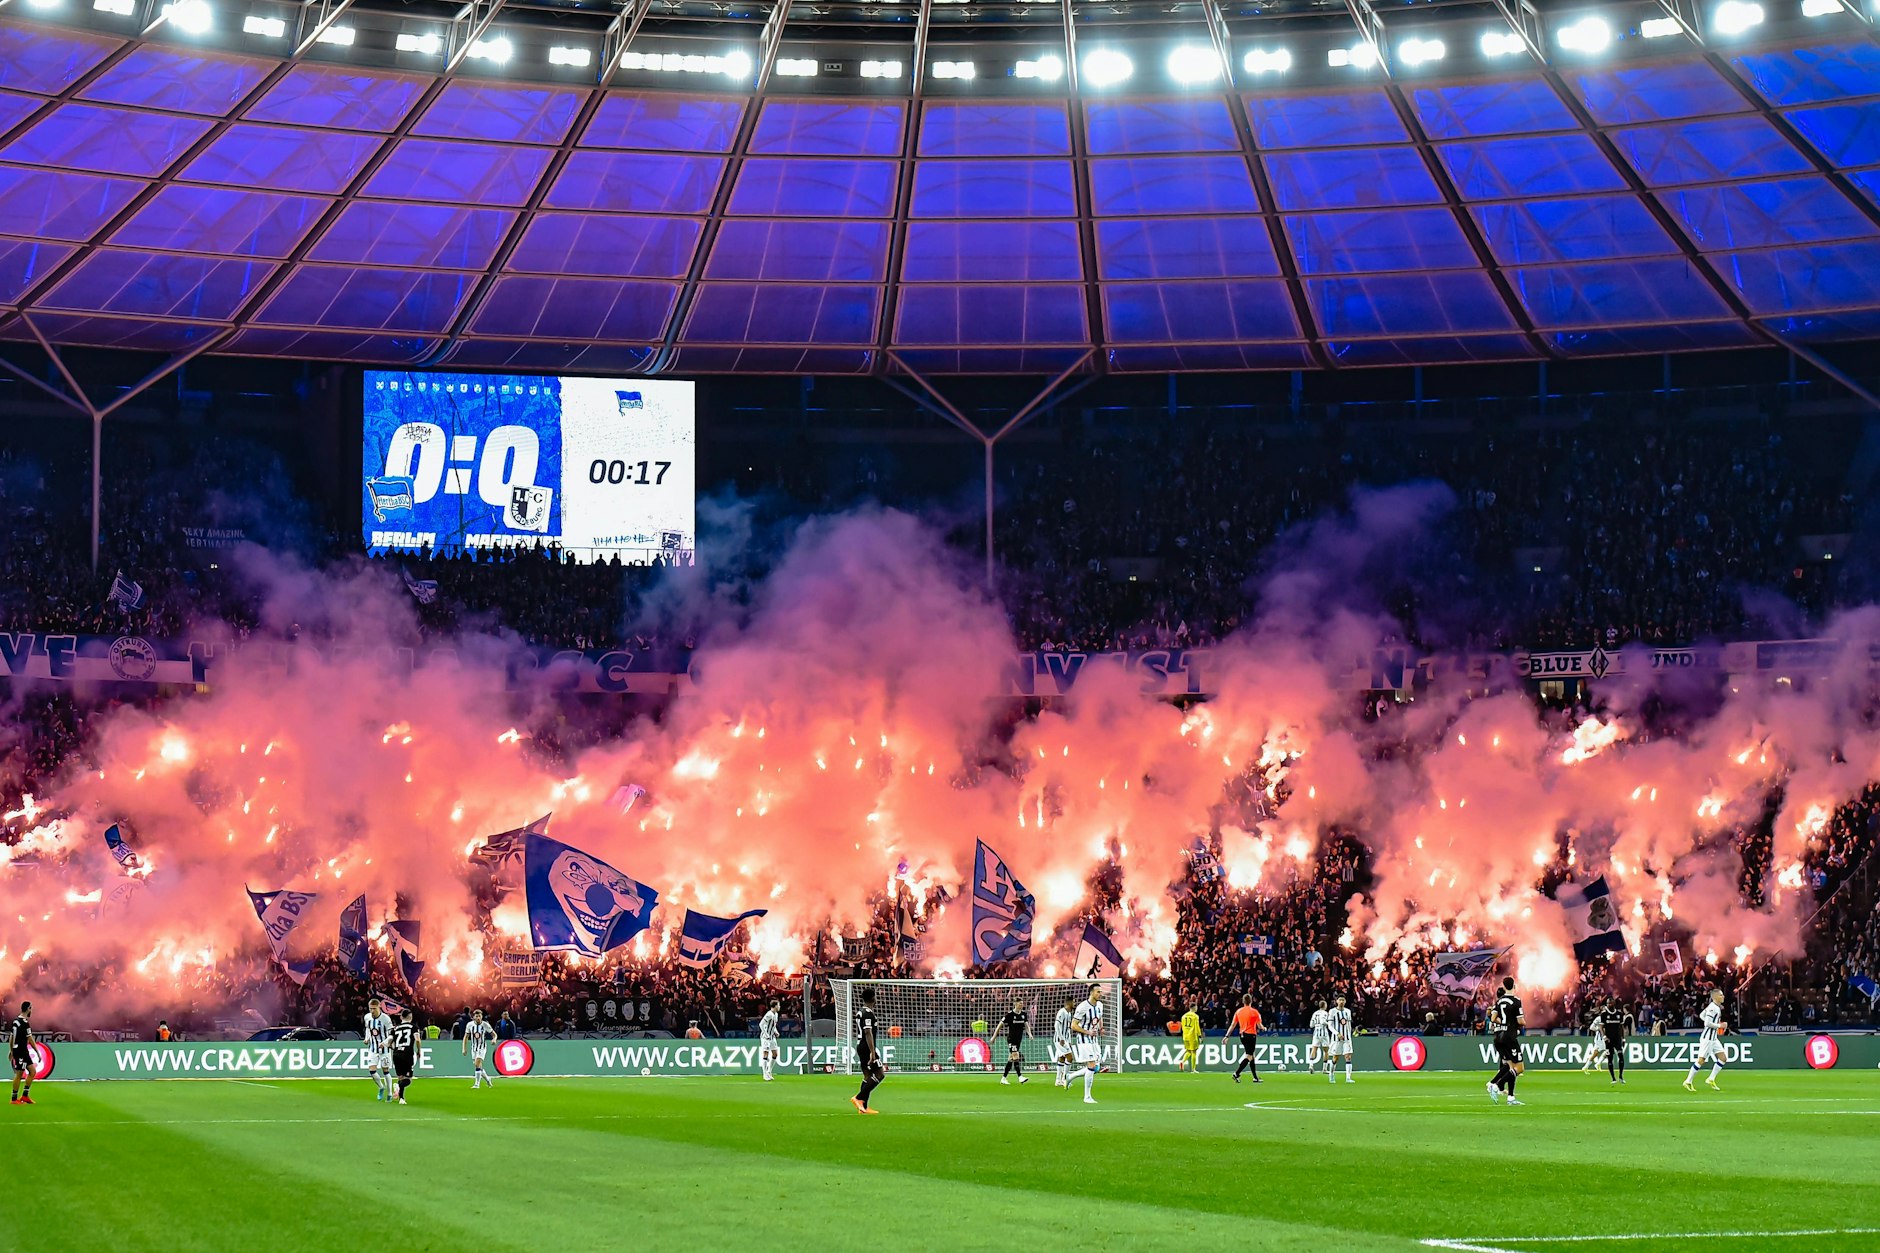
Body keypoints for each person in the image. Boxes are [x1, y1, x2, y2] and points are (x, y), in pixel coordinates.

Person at [1486, 976, 1526, 1107]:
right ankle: (1497, 1086)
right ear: (1514, 986)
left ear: (1503, 986)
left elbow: (1493, 1017)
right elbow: (1520, 1021)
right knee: (1519, 1068)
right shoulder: (1516, 1000)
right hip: (1509, 1036)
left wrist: (1504, 1022)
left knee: (1509, 1067)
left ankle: (1510, 1097)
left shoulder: (1499, 1001)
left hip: (1500, 1036)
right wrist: (1519, 1023)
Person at [1684, 989, 1728, 1092]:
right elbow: (1707, 1023)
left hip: (1713, 1038)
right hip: (1708, 1039)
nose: (1723, 997)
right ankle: (1688, 1081)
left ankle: (1711, 1078)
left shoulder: (1713, 1007)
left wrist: (1715, 1024)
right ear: (1715, 997)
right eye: (1721, 995)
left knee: (1723, 1058)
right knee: (1701, 1060)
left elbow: (1701, 1016)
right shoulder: (1713, 1008)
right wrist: (1719, 1025)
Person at [1067, 985, 1104, 1105]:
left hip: (1094, 1040)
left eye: (1101, 992)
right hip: (1084, 1039)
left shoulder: (1099, 1005)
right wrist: (1088, 1031)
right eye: (1098, 992)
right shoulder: (1083, 1007)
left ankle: (1070, 1076)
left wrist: (1101, 1028)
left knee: (1095, 1068)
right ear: (1092, 993)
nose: (1100, 994)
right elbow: (1073, 1025)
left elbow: (1099, 1017)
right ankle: (1087, 1097)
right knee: (1092, 1065)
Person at [851, 988, 884, 1114]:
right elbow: (868, 1032)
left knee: (867, 1076)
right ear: (873, 998)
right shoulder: (868, 1013)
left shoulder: (861, 1012)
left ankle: (863, 1107)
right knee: (880, 1074)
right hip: (866, 1047)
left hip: (861, 1045)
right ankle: (859, 1097)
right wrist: (872, 1052)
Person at [363, 997, 394, 1102]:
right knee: (372, 1071)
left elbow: (391, 1034)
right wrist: (367, 1038)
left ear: (379, 1007)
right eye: (370, 1008)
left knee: (386, 1071)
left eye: (374, 1008)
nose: (372, 1011)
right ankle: (381, 1087)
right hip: (373, 1048)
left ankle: (389, 1093)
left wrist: (385, 1043)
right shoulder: (367, 1017)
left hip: (384, 1049)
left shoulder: (386, 1019)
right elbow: (368, 1028)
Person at [1229, 994, 1262, 1084]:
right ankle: (1236, 1073)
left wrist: (1227, 1036)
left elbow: (1232, 1025)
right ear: (1251, 1001)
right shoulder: (1255, 1012)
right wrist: (1264, 1028)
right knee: (1249, 1056)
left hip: (1242, 1035)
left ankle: (1255, 1077)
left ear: (1243, 1001)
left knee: (1251, 1055)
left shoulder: (1238, 1011)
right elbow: (1260, 1026)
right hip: (1251, 1035)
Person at [391, 1010, 421, 1106]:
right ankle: (398, 1087)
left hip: (396, 1054)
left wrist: (394, 1048)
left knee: (401, 1077)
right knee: (408, 1079)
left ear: (401, 1017)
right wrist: (419, 1050)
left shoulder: (395, 1028)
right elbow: (417, 1040)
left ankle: (402, 1098)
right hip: (407, 1054)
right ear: (410, 1017)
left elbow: (390, 1042)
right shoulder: (413, 1027)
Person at [997, 996, 1030, 1086]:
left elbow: (1026, 1025)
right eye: (1020, 1003)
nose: (1022, 1004)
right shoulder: (1010, 1014)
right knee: (1016, 1056)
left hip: (1019, 1039)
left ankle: (1003, 1078)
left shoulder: (1024, 1014)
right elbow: (1000, 1025)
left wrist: (1029, 1034)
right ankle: (1020, 1077)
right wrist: (994, 1036)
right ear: (1015, 1004)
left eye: (1022, 1003)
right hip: (1011, 1039)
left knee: (1011, 1059)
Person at [1602, 999, 1636, 1085]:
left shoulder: (1619, 1014)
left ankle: (1621, 1076)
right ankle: (1613, 1078)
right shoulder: (1604, 1014)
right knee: (1610, 1058)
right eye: (1608, 1003)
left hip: (1617, 1039)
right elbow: (1600, 1027)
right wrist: (1604, 1036)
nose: (1609, 1004)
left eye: (1610, 1003)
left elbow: (1621, 1027)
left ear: (1614, 1003)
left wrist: (1623, 1038)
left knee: (1621, 1056)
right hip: (1608, 1040)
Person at [462, 1009, 497, 1090]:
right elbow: (466, 1037)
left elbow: (494, 1034)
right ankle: (488, 1079)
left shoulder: (485, 1025)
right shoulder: (470, 1025)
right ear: (473, 1017)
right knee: (478, 1066)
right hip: (474, 1048)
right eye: (476, 1016)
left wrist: (494, 1039)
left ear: (482, 1017)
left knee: (477, 1064)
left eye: (480, 1016)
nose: (478, 1018)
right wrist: (464, 1048)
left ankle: (477, 1084)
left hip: (482, 1047)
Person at [8, 1001, 33, 1106]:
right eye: (31, 1008)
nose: (32, 1010)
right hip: (21, 1051)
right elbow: (30, 1039)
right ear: (28, 1008)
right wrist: (37, 1051)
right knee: (19, 1073)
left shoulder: (15, 1021)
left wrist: (11, 1050)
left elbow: (11, 1037)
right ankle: (14, 1098)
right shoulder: (24, 1023)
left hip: (21, 1050)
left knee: (32, 1071)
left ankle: (25, 1096)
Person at [1326, 994, 1354, 1084]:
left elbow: (1348, 1024)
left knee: (1348, 1056)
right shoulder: (1332, 1011)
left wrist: (1350, 1034)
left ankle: (1348, 1078)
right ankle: (1331, 1074)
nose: (1341, 1001)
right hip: (1336, 1039)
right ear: (1336, 1001)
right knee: (1335, 1057)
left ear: (1345, 1001)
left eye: (1343, 1000)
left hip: (1347, 1038)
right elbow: (1330, 1026)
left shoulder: (1348, 1011)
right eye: (1340, 1000)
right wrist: (1337, 1033)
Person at [1052, 994, 1076, 1088]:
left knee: (1062, 1058)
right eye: (1074, 1002)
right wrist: (1062, 1038)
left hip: (1064, 1039)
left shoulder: (1069, 1013)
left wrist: (1069, 1040)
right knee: (1070, 1058)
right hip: (1059, 1040)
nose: (1075, 1003)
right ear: (1069, 1002)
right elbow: (1056, 1025)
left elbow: (1068, 1029)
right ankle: (1065, 1079)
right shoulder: (1062, 1012)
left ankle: (1058, 1080)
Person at [1580, 1003, 1608, 1075]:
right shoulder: (1598, 1019)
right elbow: (1591, 1027)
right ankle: (1589, 1066)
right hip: (1600, 1039)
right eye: (1604, 1010)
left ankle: (1594, 1065)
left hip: (1605, 1037)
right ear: (1601, 1011)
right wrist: (1598, 1029)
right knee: (1598, 1053)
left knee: (1606, 1051)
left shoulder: (1608, 1017)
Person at [758, 998, 780, 1082]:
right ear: (774, 1006)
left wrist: (776, 1032)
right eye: (778, 1005)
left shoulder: (776, 1014)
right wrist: (766, 1034)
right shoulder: (769, 1014)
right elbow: (761, 1024)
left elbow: (773, 1026)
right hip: (765, 1037)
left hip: (772, 1037)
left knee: (775, 1054)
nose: (779, 1007)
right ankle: (764, 1074)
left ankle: (769, 1071)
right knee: (765, 1054)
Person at [1307, 998, 1330, 1071]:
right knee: (1326, 1051)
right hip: (1323, 1032)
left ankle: (1311, 1065)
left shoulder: (1315, 1013)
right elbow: (1323, 1021)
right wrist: (1329, 1024)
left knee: (1314, 1049)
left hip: (1316, 1032)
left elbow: (1311, 1025)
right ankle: (1324, 1069)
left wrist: (1316, 1024)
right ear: (1325, 1006)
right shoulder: (1325, 1013)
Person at [1179, 1002, 1202, 1073]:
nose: (1197, 1008)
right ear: (1194, 1007)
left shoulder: (1183, 1016)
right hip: (1192, 1035)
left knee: (1188, 1051)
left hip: (1185, 1036)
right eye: (1196, 1007)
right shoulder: (1195, 1016)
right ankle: (1193, 1069)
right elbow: (1197, 1027)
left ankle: (1182, 1062)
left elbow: (1182, 1027)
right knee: (1194, 1052)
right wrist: (1200, 1036)